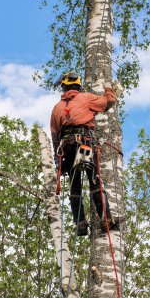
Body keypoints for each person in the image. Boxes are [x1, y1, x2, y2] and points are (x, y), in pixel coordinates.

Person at [50, 72, 120, 236]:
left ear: (64, 87)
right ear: (78, 86)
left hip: (66, 148)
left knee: (75, 185)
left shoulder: (56, 108)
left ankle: (80, 224)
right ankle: (107, 220)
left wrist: (57, 156)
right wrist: (108, 89)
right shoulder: (86, 98)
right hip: (84, 143)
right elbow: (109, 102)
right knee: (94, 180)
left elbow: (54, 134)